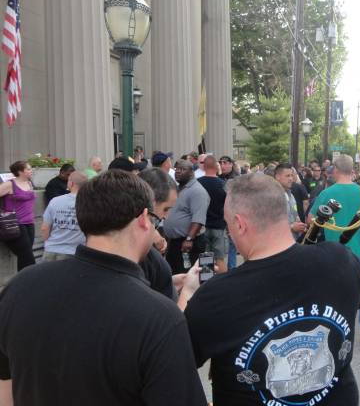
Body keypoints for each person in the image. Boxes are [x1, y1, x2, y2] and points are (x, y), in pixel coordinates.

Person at [0, 170, 207, 406]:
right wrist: (188, 292)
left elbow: (5, 385)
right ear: (143, 219)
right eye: (157, 218)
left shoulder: (19, 287)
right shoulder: (159, 317)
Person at [180, 173, 360, 405]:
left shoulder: (215, 296)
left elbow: (178, 358)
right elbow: (358, 301)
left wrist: (188, 292)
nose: (230, 233)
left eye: (229, 225)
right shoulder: (342, 260)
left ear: (239, 223)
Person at [309, 155, 360, 350]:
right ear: (352, 171)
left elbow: (310, 219)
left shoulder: (327, 193)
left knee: (333, 293)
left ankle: (334, 337)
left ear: (335, 170)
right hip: (359, 249)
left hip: (334, 252)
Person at [138, 168, 180, 300]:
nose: (166, 217)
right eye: (165, 209)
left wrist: (171, 283)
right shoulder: (140, 253)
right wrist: (188, 292)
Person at [163, 160, 210, 274]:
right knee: (173, 274)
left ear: (191, 172)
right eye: (177, 169)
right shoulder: (178, 188)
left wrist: (189, 239)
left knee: (188, 275)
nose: (178, 172)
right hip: (174, 242)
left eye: (183, 169)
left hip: (189, 243)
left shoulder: (197, 191)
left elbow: (198, 219)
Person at [41, 171, 88, 261]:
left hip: (52, 250)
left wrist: (48, 243)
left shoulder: (55, 201)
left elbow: (45, 228)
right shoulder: (89, 203)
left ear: (71, 183)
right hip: (75, 252)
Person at [0, 161, 37, 271]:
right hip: (15, 223)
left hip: (30, 222)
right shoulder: (9, 184)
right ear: (20, 171)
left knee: (25, 255)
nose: (32, 171)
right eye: (29, 169)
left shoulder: (29, 183)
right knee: (28, 257)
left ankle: (21, 283)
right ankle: (27, 283)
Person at [197, 155, 228, 273]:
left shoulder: (197, 183)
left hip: (202, 226)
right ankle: (223, 285)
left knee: (205, 258)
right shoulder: (223, 185)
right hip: (219, 226)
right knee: (220, 258)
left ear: (204, 167)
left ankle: (207, 284)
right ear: (216, 167)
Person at [274, 163, 307, 239]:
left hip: (293, 241)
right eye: (287, 176)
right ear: (277, 177)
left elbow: (294, 215)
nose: (291, 179)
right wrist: (292, 227)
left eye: (292, 175)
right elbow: (267, 226)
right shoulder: (271, 197)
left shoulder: (290, 195)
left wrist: (299, 225)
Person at [219, 155, 239, 269]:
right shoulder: (218, 178)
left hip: (233, 215)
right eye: (221, 163)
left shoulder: (237, 179)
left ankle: (232, 270)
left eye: (225, 163)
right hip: (219, 216)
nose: (223, 165)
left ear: (231, 164)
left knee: (233, 245)